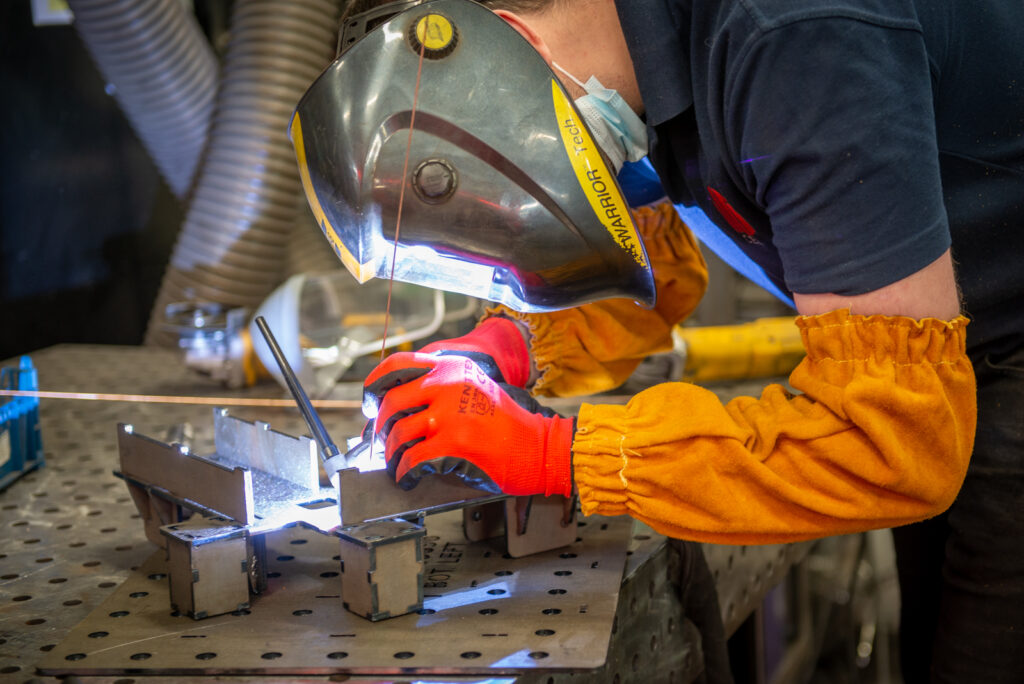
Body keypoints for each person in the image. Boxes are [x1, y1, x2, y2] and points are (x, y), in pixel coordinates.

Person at [305, 1, 1022, 681]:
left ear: (515, 43)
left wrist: (556, 454)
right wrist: (506, 349)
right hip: (955, 356)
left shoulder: (793, 38)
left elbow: (890, 442)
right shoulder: (640, 63)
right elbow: (657, 273)